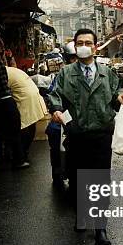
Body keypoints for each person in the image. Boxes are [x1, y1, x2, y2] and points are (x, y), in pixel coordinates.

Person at [48, 29, 123, 245]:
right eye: (80, 42)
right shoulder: (65, 73)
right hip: (76, 134)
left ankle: (101, 229)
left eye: (88, 42)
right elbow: (55, 96)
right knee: (77, 178)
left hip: (102, 134)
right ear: (75, 46)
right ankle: (81, 214)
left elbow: (114, 97)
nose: (84, 46)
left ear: (95, 46)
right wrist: (56, 110)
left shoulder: (107, 73)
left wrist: (120, 99)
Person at [45, 42, 77, 189]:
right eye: (73, 58)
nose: (76, 61)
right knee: (54, 131)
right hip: (64, 116)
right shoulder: (62, 75)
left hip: (83, 120)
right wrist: (57, 109)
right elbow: (54, 93)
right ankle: (57, 171)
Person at [6, 65, 48, 163]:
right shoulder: (12, 70)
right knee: (30, 123)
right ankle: (24, 152)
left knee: (22, 126)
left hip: (24, 98)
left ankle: (21, 155)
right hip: (32, 95)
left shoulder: (3, 73)